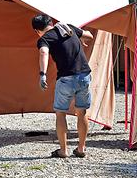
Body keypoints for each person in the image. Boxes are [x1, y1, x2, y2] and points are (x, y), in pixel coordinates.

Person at [32, 13, 94, 158]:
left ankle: (63, 150)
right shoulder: (68, 28)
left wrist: (43, 74)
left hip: (66, 78)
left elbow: (43, 52)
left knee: (61, 113)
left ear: (37, 31)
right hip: (84, 75)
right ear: (51, 23)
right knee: (82, 112)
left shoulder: (45, 39)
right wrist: (79, 39)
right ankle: (81, 148)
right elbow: (89, 35)